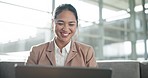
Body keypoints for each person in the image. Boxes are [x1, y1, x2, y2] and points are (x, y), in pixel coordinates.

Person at [26, 4, 97, 67]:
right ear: (53, 23)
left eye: (71, 24)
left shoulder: (87, 52)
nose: (65, 29)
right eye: (60, 23)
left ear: (76, 25)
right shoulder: (36, 52)